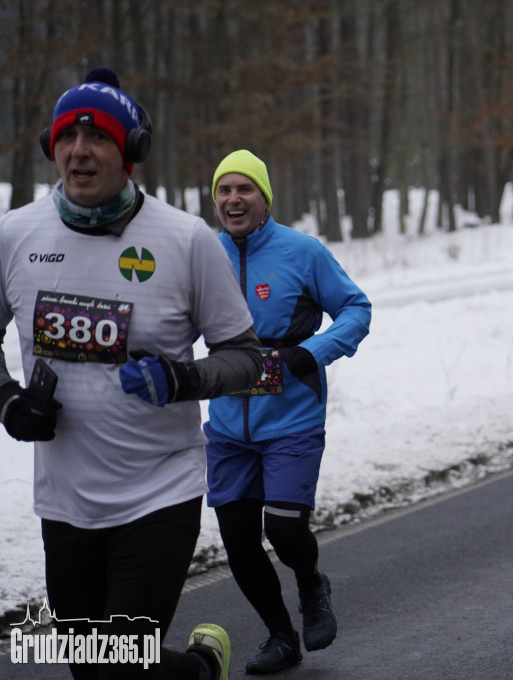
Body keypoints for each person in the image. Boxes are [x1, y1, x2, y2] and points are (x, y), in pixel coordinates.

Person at [0, 67, 264, 679]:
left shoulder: (185, 240)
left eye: (98, 138)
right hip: (65, 499)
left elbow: (246, 357)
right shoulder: (15, 234)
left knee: (119, 667)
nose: (79, 151)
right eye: (67, 137)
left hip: (159, 490)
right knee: (93, 666)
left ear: (131, 153)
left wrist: (183, 379)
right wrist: (8, 399)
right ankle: (200, 668)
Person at [204, 150, 371, 674]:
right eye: (224, 190)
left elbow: (356, 308)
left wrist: (313, 352)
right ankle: (280, 636)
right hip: (227, 424)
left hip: (292, 418)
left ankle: (310, 583)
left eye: (245, 189)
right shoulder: (202, 254)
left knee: (284, 528)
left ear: (265, 197)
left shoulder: (303, 252)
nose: (234, 199)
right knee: (238, 540)